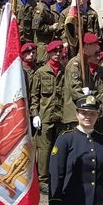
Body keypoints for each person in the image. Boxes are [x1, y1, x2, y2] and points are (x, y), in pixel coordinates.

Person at [31, 40, 67, 189]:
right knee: (44, 149)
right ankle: (43, 180)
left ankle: (58, 175)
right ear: (49, 53)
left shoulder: (65, 71)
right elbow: (34, 95)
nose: (57, 55)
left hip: (62, 115)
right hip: (45, 115)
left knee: (59, 148)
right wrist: (35, 114)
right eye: (54, 52)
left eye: (60, 52)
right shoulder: (41, 72)